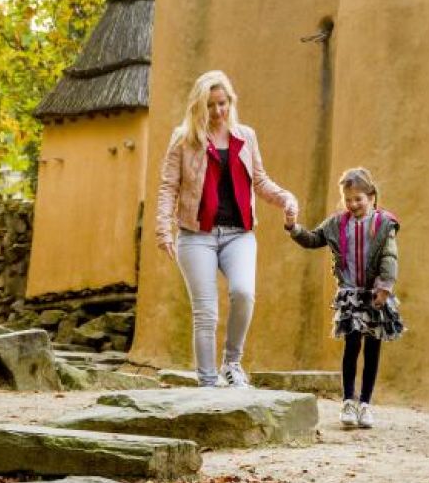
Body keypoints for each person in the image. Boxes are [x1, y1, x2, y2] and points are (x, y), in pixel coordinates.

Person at [155, 70, 298, 388]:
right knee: (206, 312)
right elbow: (168, 186)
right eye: (210, 105)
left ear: (231, 102)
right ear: (198, 106)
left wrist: (285, 198)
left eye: (222, 103)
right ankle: (207, 383)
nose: (217, 111)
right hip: (196, 235)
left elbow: (259, 180)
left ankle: (232, 364)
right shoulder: (183, 138)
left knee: (244, 293)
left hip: (239, 234)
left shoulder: (246, 136)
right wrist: (163, 229)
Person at [286, 167, 405, 428]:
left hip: (376, 294)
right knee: (352, 347)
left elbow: (389, 256)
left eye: (358, 199)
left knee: (373, 349)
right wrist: (293, 227)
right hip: (351, 294)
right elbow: (314, 239)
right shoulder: (337, 223)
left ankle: (365, 404)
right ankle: (348, 402)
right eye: (348, 199)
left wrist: (384, 287)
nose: (353, 204)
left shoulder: (384, 224)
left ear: (371, 197)